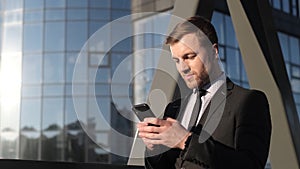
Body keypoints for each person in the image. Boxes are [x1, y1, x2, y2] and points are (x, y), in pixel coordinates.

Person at [137, 16, 272, 169]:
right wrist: (154, 149)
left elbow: (251, 164)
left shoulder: (249, 101)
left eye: (189, 56)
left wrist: (185, 141)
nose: (183, 67)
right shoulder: (174, 108)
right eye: (177, 60)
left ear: (214, 51)